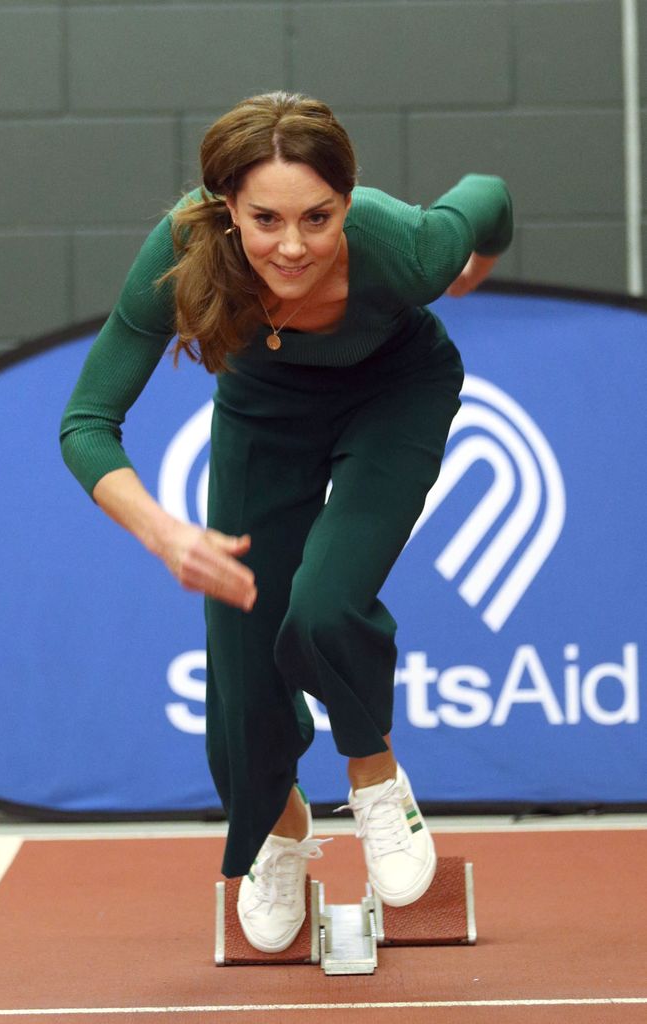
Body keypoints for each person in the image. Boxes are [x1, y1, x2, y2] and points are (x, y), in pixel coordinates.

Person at [60, 91, 512, 955]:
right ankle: (282, 828)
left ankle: (375, 777)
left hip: (396, 393)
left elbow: (487, 192)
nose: (293, 245)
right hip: (266, 409)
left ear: (350, 200)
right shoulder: (184, 250)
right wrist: (165, 532)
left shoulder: (404, 248)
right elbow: (86, 422)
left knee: (325, 605)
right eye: (265, 218)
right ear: (224, 208)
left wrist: (474, 266)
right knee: (239, 676)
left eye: (319, 216)